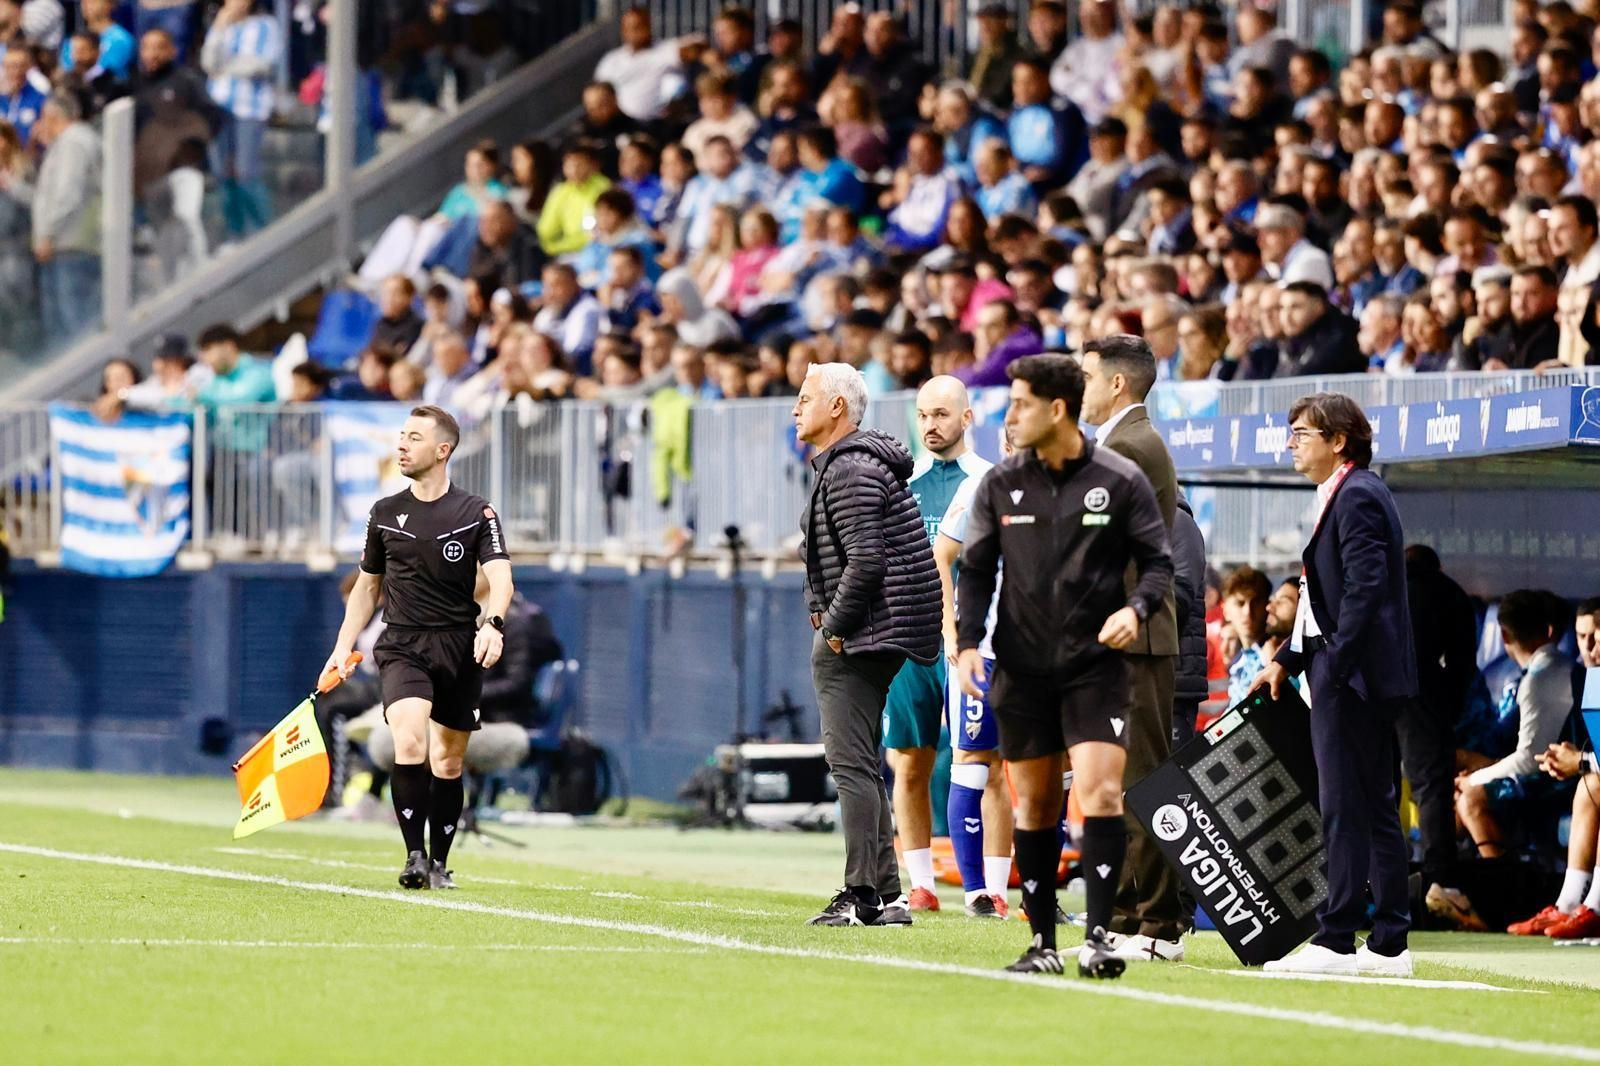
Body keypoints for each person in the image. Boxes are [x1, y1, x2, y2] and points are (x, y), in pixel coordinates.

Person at [955, 354, 1173, 977]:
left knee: (1101, 792)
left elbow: (1158, 562)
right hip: (1021, 671)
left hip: (1095, 669)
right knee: (1035, 805)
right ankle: (1043, 943)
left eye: (1020, 404)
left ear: (1056, 409)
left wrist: (1136, 608)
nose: (1009, 415)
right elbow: (976, 571)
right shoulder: (1000, 484)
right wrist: (967, 644)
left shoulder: (1119, 477)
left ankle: (1100, 937)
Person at [1253, 393, 1417, 977]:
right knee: (1372, 805)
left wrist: (1336, 667)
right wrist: (1287, 660)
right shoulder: (1347, 492)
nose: (1291, 443)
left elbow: (1364, 591)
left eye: (1302, 433)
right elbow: (1319, 601)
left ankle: (1337, 938)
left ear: (1339, 440)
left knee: (1346, 805)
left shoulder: (1358, 494)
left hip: (1353, 677)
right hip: (1351, 672)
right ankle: (1390, 944)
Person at [322, 405, 514, 890]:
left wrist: (493, 625)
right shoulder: (384, 513)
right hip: (402, 643)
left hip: (459, 645)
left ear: (442, 450)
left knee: (447, 761)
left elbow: (501, 578)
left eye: (414, 438)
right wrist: (343, 646)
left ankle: (439, 864)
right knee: (408, 741)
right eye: (401, 436)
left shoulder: (477, 513)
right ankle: (413, 857)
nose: (401, 445)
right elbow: (367, 587)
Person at [795, 363, 941, 927]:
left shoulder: (850, 468)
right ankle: (888, 894)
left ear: (837, 407)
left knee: (851, 765)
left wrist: (833, 627)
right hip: (878, 629)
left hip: (861, 634)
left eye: (805, 398)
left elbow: (866, 561)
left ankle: (861, 894)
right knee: (862, 764)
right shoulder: (854, 462)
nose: (796, 408)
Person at [1079, 334, 1183, 963]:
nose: (1080, 388)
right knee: (1112, 783)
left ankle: (1161, 925)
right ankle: (1122, 913)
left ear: (1117, 383)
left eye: (1088, 377)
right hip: (1118, 637)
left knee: (1143, 783)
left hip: (1134, 639)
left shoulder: (1130, 446)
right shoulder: (1121, 444)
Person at [882, 376, 994, 913]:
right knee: (910, 761)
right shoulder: (902, 484)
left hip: (974, 639)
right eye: (923, 415)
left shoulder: (989, 481)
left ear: (967, 418)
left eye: (942, 414)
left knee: (986, 763)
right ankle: (921, 885)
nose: (930, 425)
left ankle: (994, 887)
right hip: (911, 639)